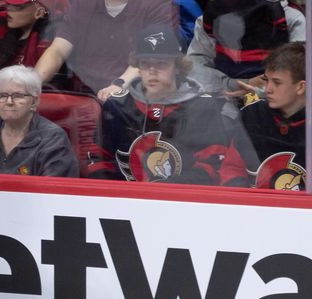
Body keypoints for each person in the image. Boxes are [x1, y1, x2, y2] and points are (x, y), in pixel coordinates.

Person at [87, 25, 251, 186]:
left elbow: (212, 165)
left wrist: (163, 193)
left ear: (178, 67)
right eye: (145, 64)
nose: (152, 71)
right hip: (124, 205)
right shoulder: (117, 107)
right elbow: (98, 160)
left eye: (161, 64)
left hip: (183, 203)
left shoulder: (203, 106)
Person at [34, 0, 174, 102]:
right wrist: (32, 83)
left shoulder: (157, 5)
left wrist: (118, 85)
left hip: (130, 100)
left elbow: (148, 60)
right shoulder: (82, 4)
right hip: (83, 97)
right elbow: (58, 49)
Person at [0, 65, 78, 176]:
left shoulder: (53, 139)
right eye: (2, 96)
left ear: (34, 102)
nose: (9, 102)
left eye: (18, 96)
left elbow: (53, 189)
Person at [186, 0, 306, 96]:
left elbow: (301, 77)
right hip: (224, 99)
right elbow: (194, 68)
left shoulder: (288, 18)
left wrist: (262, 90)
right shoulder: (210, 18)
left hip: (273, 107)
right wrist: (238, 84)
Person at [239, 42, 307, 190]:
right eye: (266, 80)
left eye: (277, 82)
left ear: (301, 87)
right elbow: (230, 168)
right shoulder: (250, 114)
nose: (268, 89)